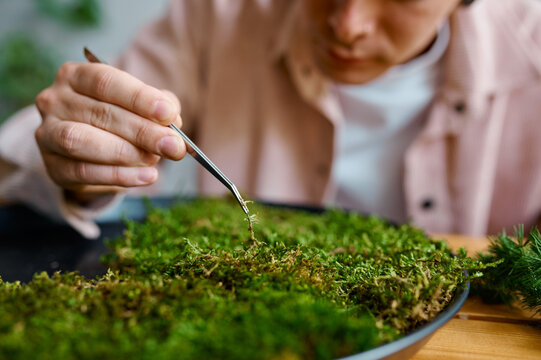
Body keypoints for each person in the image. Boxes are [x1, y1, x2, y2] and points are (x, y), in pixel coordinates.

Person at [0, 0, 540, 238]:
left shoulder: (531, 49)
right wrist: (72, 160)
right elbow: (18, 164)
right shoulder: (220, 14)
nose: (348, 24)